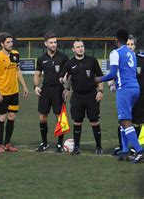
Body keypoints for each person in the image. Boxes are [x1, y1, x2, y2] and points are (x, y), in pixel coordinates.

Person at [96, 29, 142, 163]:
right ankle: (124, 151)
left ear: (116, 40)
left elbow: (113, 74)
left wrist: (99, 79)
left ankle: (140, 151)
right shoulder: (132, 53)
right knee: (122, 120)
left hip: (124, 90)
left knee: (126, 121)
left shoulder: (115, 53)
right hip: (135, 89)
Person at [60, 39, 104, 155]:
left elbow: (99, 76)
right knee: (77, 122)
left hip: (91, 95)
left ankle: (99, 147)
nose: (80, 48)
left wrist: (100, 91)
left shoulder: (92, 61)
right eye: (78, 47)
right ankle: (76, 148)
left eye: (82, 46)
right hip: (77, 97)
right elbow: (65, 77)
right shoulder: (70, 63)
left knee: (94, 121)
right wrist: (65, 85)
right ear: (73, 49)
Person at [0, 32, 29, 153]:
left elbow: (17, 70)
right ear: (2, 44)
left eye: (11, 42)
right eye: (8, 42)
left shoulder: (15, 54)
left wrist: (24, 86)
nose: (11, 44)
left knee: (12, 116)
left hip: (14, 92)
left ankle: (7, 143)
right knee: (2, 117)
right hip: (2, 92)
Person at [34, 32, 69, 152]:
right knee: (42, 117)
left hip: (59, 90)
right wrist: (36, 86)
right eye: (51, 42)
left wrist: (67, 87)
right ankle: (44, 143)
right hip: (46, 90)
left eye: (55, 42)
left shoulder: (63, 57)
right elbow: (37, 74)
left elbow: (68, 74)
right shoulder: (41, 59)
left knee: (60, 117)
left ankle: (60, 144)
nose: (54, 45)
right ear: (45, 43)